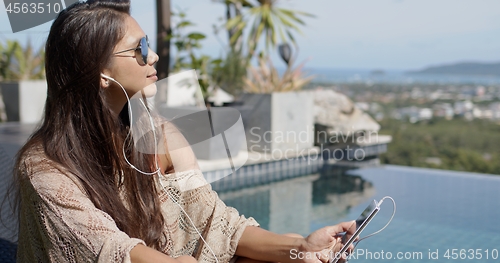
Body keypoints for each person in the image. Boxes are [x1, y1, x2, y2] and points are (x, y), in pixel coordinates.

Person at [12, 0, 355, 262]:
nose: (155, 56)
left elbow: (216, 223)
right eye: (141, 49)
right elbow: (112, 251)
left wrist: (299, 247)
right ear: (100, 72)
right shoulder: (45, 168)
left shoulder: (160, 136)